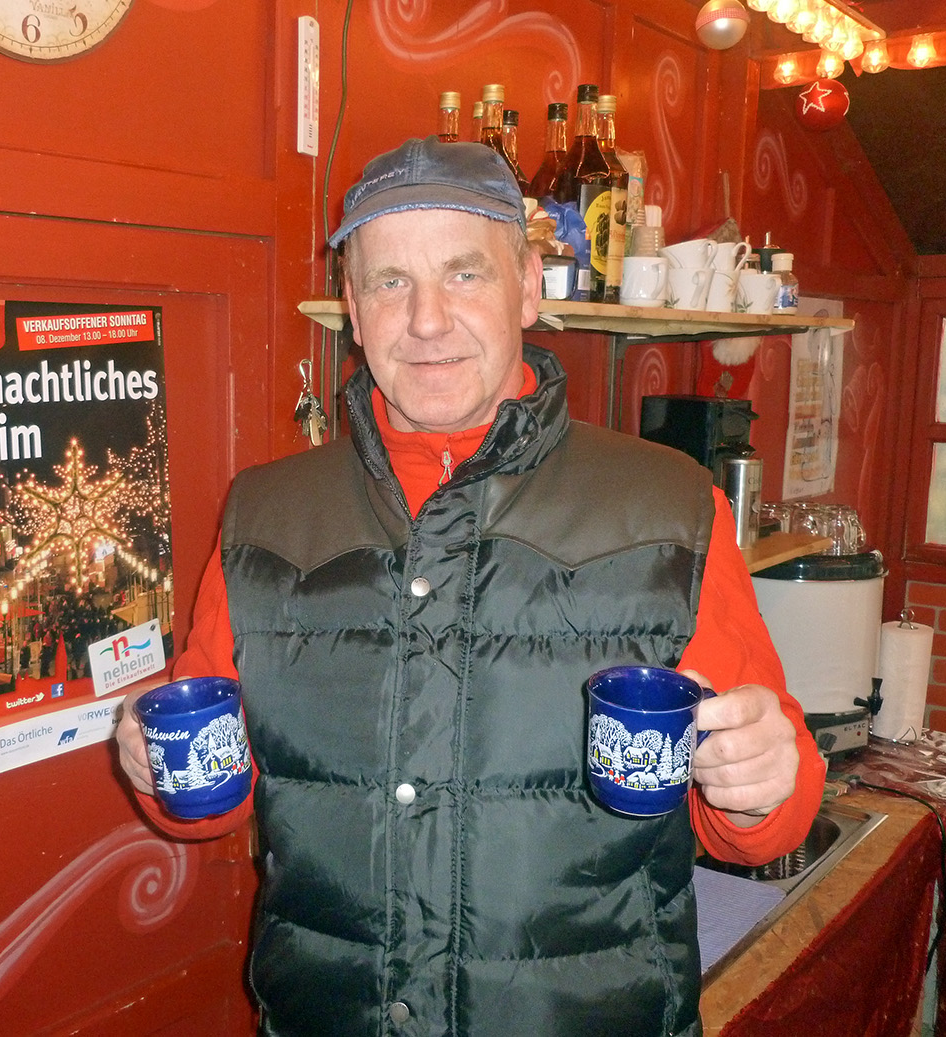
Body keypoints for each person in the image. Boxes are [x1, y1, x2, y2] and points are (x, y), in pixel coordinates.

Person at [117, 136, 826, 1037]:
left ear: (526, 287)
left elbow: (768, 816)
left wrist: (760, 782)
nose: (427, 320)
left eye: (464, 273)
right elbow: (208, 798)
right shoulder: (263, 515)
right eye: (390, 282)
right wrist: (151, 768)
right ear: (352, 308)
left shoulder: (669, 505)